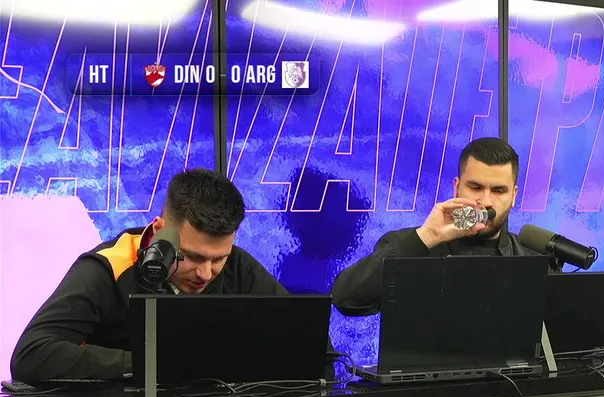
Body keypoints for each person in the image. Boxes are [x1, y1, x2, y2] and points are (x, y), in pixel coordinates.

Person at [9, 169, 288, 384]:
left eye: (218, 259)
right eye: (192, 256)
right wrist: (152, 364)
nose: (205, 273)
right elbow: (31, 355)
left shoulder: (238, 265)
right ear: (159, 231)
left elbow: (300, 340)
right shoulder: (110, 267)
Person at [330, 137, 554, 317]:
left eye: (498, 191)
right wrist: (425, 238)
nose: (486, 201)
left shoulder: (534, 261)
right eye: (475, 187)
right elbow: (346, 300)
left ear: (513, 196)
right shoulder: (408, 246)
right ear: (457, 187)